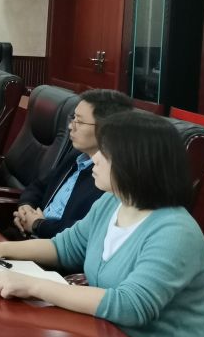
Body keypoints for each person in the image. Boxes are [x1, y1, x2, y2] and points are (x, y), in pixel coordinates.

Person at [0, 112, 204, 337]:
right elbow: (64, 247)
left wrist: (33, 286)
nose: (94, 158)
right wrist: (1, 249)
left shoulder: (175, 231)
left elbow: (130, 306)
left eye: (104, 153)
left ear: (135, 163)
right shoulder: (112, 202)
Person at [13, 89, 134, 238]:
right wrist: (26, 208)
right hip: (32, 235)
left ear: (106, 129)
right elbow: (39, 186)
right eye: (73, 118)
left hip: (54, 246)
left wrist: (38, 225)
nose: (71, 126)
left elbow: (82, 233)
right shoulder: (76, 156)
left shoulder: (109, 178)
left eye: (79, 122)